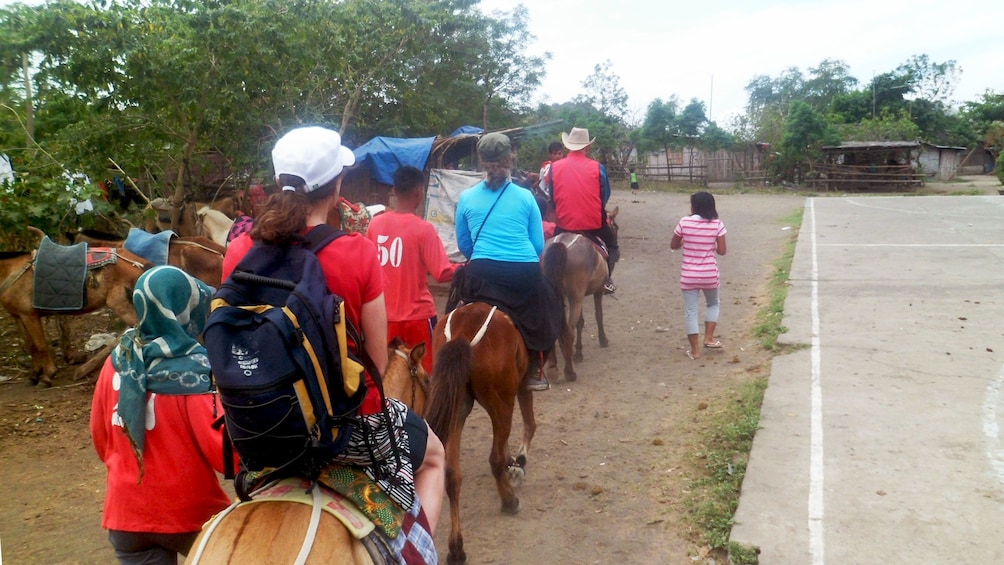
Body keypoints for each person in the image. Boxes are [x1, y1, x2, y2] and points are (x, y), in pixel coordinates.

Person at [222, 126, 445, 534]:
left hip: (258, 433)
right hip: (345, 433)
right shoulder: (356, 251)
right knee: (434, 457)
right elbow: (376, 365)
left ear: (277, 182)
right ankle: (419, 549)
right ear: (337, 185)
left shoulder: (239, 251)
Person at [90, 265, 232, 564]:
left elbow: (102, 439)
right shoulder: (193, 372)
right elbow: (222, 452)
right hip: (190, 514)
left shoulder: (120, 358)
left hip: (126, 514)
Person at [454, 132, 562, 391]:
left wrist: (484, 259)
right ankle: (536, 367)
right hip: (522, 274)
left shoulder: (467, 198)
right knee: (552, 305)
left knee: (455, 309)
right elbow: (537, 245)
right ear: (509, 160)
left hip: (482, 273)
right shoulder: (526, 197)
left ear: (481, 162)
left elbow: (465, 245)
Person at [367, 165, 457, 373]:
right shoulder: (424, 229)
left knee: (385, 376)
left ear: (395, 191)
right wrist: (463, 268)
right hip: (417, 318)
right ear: (419, 191)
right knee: (423, 377)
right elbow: (441, 272)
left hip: (383, 318)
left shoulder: (375, 225)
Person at [548, 127, 620, 294]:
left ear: (567, 147)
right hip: (592, 223)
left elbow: (552, 196)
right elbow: (604, 195)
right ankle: (606, 281)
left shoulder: (554, 168)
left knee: (550, 248)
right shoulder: (598, 168)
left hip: (564, 224)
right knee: (612, 245)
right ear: (587, 147)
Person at [669, 191, 727, 360]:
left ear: (694, 206)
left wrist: (684, 241)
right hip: (709, 273)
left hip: (689, 275)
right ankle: (709, 338)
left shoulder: (684, 222)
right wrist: (712, 246)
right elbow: (722, 251)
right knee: (713, 304)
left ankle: (695, 351)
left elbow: (674, 244)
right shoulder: (717, 224)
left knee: (691, 312)